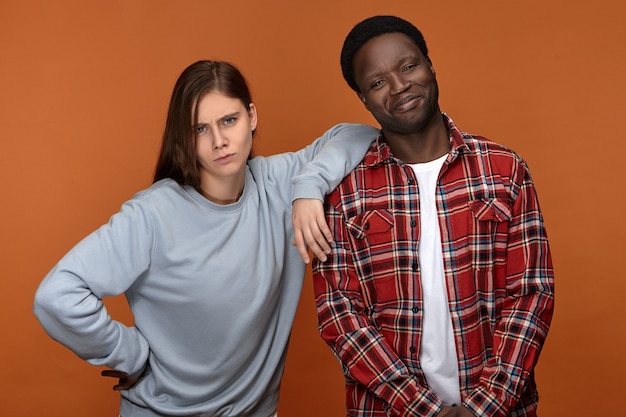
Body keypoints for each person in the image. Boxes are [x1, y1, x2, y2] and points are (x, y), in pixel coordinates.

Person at [33, 60, 378, 417]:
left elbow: (360, 134)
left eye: (230, 120)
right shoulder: (152, 214)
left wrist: (309, 187)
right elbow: (57, 295)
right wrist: (130, 355)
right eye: (200, 129)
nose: (219, 141)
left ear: (252, 117)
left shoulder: (280, 183)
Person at [312, 16, 555, 417]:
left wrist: (484, 406)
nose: (399, 86)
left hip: (501, 408)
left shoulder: (503, 170)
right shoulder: (343, 193)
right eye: (377, 82)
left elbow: (532, 295)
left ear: (430, 65)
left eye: (408, 66)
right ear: (363, 99)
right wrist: (422, 408)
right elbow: (340, 313)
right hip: (389, 410)